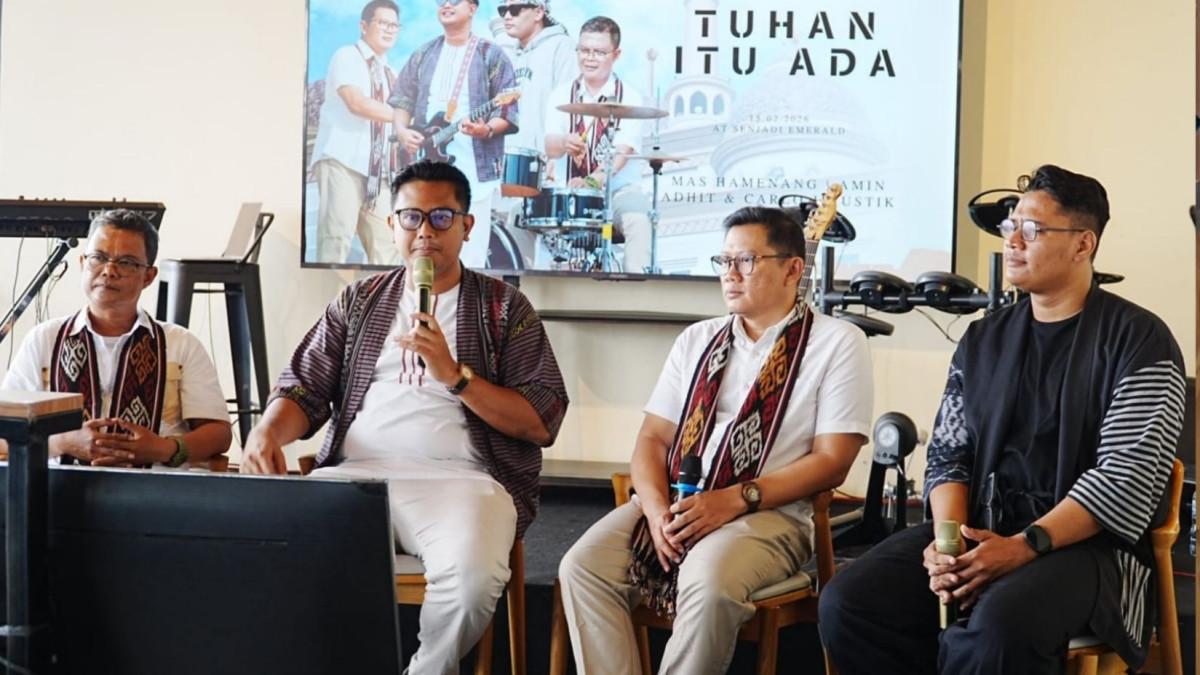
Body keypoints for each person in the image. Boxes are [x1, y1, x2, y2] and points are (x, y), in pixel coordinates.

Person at [819, 165, 1187, 674]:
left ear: (1083, 244)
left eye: (1030, 230)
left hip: (1088, 549)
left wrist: (1024, 546)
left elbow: (1124, 479)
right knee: (852, 602)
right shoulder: (983, 339)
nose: (1012, 240)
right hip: (980, 529)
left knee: (997, 623)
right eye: (1009, 226)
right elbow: (949, 456)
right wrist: (948, 546)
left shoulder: (1140, 342)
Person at [240, 160, 568, 675]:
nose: (424, 233)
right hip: (354, 478)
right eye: (411, 218)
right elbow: (302, 387)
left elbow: (541, 420)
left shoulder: (506, 308)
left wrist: (453, 374)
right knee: (259, 556)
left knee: (471, 581)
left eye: (441, 218)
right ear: (391, 225)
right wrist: (266, 433)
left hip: (462, 483)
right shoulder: (359, 300)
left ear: (467, 226)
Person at [558, 206, 874, 674]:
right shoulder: (697, 339)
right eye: (723, 261)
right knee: (582, 567)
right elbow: (651, 440)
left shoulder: (837, 342)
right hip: (677, 505)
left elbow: (833, 462)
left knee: (705, 580)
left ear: (793, 269)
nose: (730, 274)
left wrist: (735, 499)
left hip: (769, 515)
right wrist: (656, 509)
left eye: (746, 261)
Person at [1, 209, 232, 468]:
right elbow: (5, 432)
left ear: (149, 276)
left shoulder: (181, 344)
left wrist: (162, 448)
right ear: (81, 263)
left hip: (158, 495)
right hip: (57, 495)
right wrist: (64, 443)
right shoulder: (44, 340)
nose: (109, 270)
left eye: (126, 262)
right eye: (98, 257)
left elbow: (219, 434)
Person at [389, 0, 518, 270]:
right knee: (414, 253)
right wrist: (402, 132)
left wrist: (486, 130)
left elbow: (507, 113)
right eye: (441, 1)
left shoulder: (490, 55)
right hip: (425, 168)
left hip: (473, 170)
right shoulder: (423, 53)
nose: (446, 5)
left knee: (469, 258)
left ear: (472, 8)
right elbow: (402, 101)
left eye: (454, 0)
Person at [544, 16, 653, 273]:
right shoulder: (560, 94)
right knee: (519, 215)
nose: (589, 58)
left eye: (599, 52)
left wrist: (591, 182)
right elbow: (549, 145)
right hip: (567, 192)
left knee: (639, 219)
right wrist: (564, 142)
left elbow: (621, 155)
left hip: (616, 193)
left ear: (616, 54)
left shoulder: (630, 97)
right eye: (584, 50)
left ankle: (636, 295)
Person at [310, 0, 403, 265]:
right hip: (343, 164)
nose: (389, 30)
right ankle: (328, 305)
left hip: (378, 176)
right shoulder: (347, 56)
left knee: (389, 250)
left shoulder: (391, 74)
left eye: (394, 25)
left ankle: (386, 306)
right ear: (364, 26)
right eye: (382, 23)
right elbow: (357, 103)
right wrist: (403, 118)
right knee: (335, 243)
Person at [493, 0, 577, 268]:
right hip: (504, 168)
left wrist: (557, 156)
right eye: (502, 10)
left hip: (541, 166)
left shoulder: (560, 46)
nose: (507, 16)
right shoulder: (505, 50)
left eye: (515, 10)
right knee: (503, 253)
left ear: (539, 12)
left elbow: (571, 105)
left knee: (539, 258)